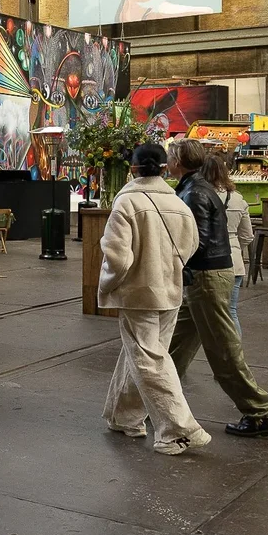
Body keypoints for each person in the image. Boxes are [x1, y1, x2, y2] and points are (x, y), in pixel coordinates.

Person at [99, 143, 211, 456]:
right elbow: (191, 246)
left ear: (132, 169)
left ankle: (177, 430)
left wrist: (110, 284)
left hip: (138, 293)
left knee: (148, 359)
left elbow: (117, 257)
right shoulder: (179, 204)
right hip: (171, 291)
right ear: (164, 168)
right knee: (143, 354)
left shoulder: (126, 202)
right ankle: (125, 417)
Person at [165, 139, 268, 438]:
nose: (167, 160)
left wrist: (170, 260)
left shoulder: (194, 193)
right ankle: (157, 400)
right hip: (206, 275)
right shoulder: (195, 188)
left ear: (179, 161)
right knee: (177, 344)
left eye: (170, 156)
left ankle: (258, 411)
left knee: (222, 350)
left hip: (206, 277)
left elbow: (195, 242)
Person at [203, 154, 255, 335]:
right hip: (234, 263)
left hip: (207, 262)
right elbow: (248, 235)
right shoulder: (238, 199)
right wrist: (235, 247)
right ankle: (235, 354)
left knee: (202, 312)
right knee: (231, 311)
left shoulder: (200, 196)